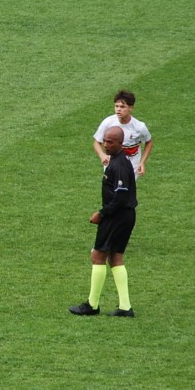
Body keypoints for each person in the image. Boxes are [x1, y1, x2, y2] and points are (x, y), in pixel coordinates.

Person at [69, 125, 138, 317]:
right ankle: (125, 307)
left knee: (97, 256)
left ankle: (92, 305)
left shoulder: (120, 165)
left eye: (110, 142)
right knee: (115, 258)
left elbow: (120, 198)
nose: (106, 145)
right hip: (124, 216)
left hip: (117, 216)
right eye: (105, 141)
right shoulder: (117, 161)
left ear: (120, 143)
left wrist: (102, 213)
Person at [93, 90, 153, 179]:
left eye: (122, 107)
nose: (118, 109)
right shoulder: (108, 123)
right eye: (116, 106)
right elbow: (97, 142)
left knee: (124, 192)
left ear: (131, 108)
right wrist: (102, 155)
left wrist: (142, 162)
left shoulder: (139, 127)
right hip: (111, 166)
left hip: (131, 168)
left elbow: (149, 142)